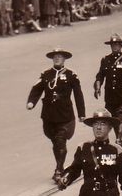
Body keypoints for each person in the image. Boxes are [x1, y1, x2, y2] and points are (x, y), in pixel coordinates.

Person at [27, 47, 86, 183]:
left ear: (64, 59)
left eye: (60, 56)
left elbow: (78, 95)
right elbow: (36, 89)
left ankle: (59, 170)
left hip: (65, 116)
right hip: (49, 116)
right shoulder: (46, 74)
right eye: (55, 56)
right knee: (55, 143)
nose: (57, 58)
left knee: (60, 140)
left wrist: (81, 113)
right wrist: (31, 102)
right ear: (52, 59)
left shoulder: (71, 75)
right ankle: (59, 165)